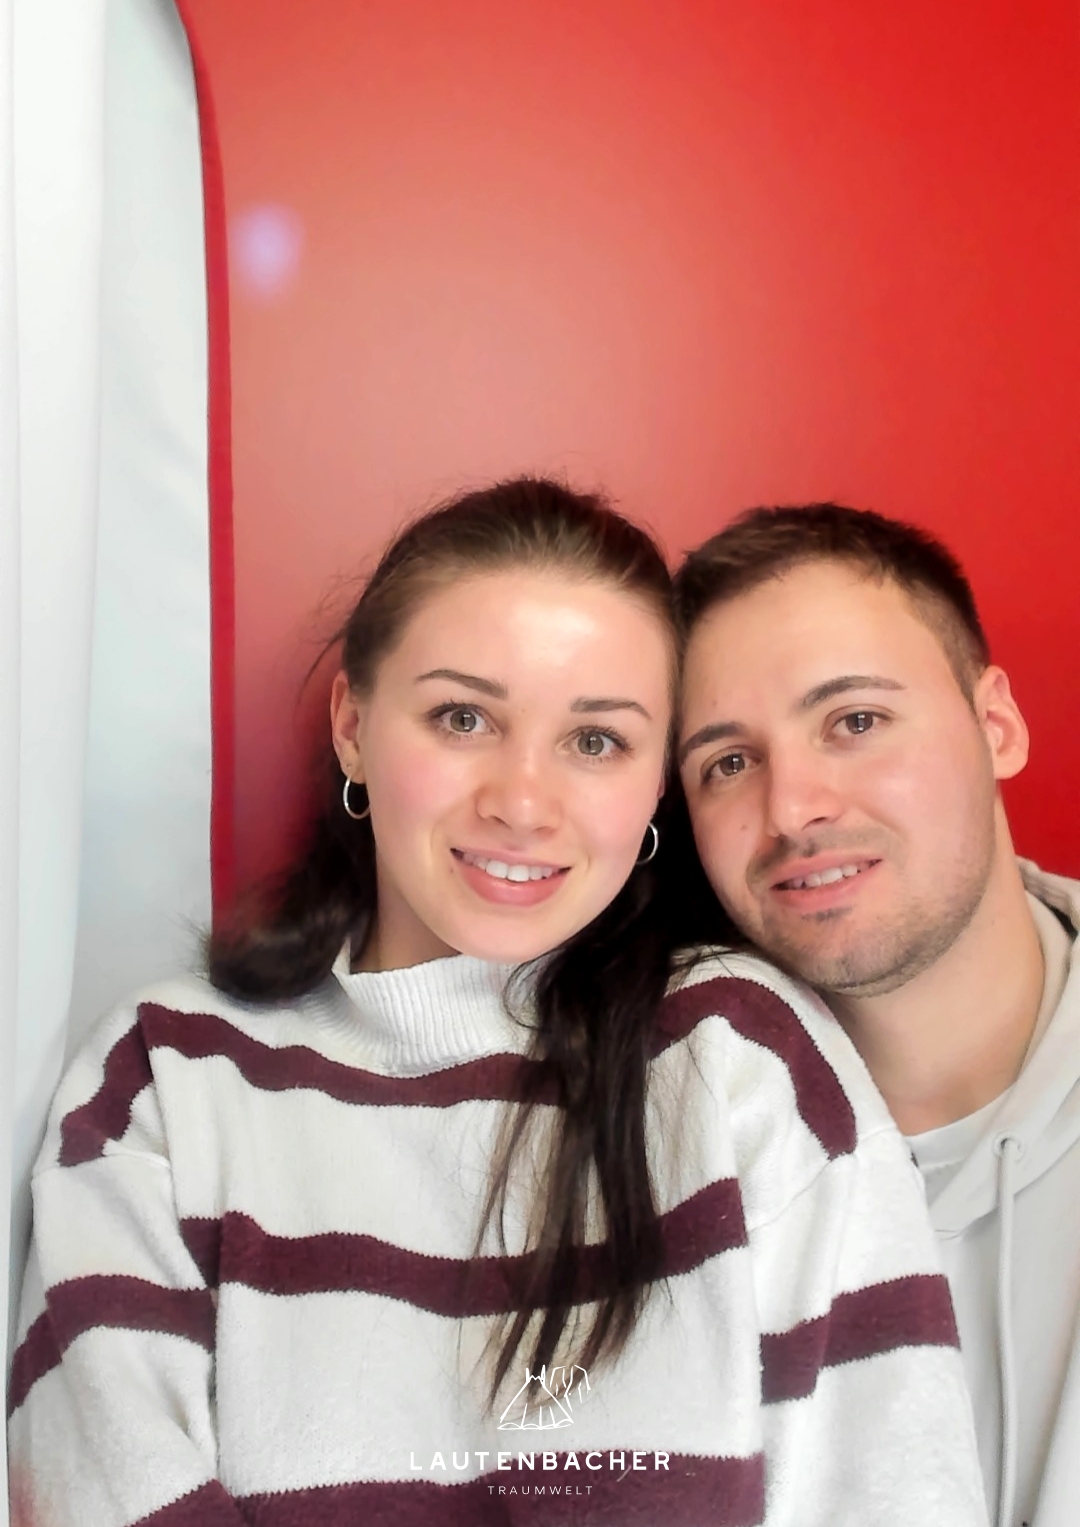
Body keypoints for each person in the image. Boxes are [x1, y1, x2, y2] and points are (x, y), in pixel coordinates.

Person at [8, 479, 986, 1527]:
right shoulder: (165, 1075)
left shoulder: (744, 1057)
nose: (522, 803)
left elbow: (893, 1492)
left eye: (595, 740)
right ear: (353, 725)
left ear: (656, 781)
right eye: (463, 717)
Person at [673, 502, 1078, 1527]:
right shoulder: (653, 1140)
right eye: (728, 762)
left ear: (997, 727)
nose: (792, 808)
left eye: (854, 720)